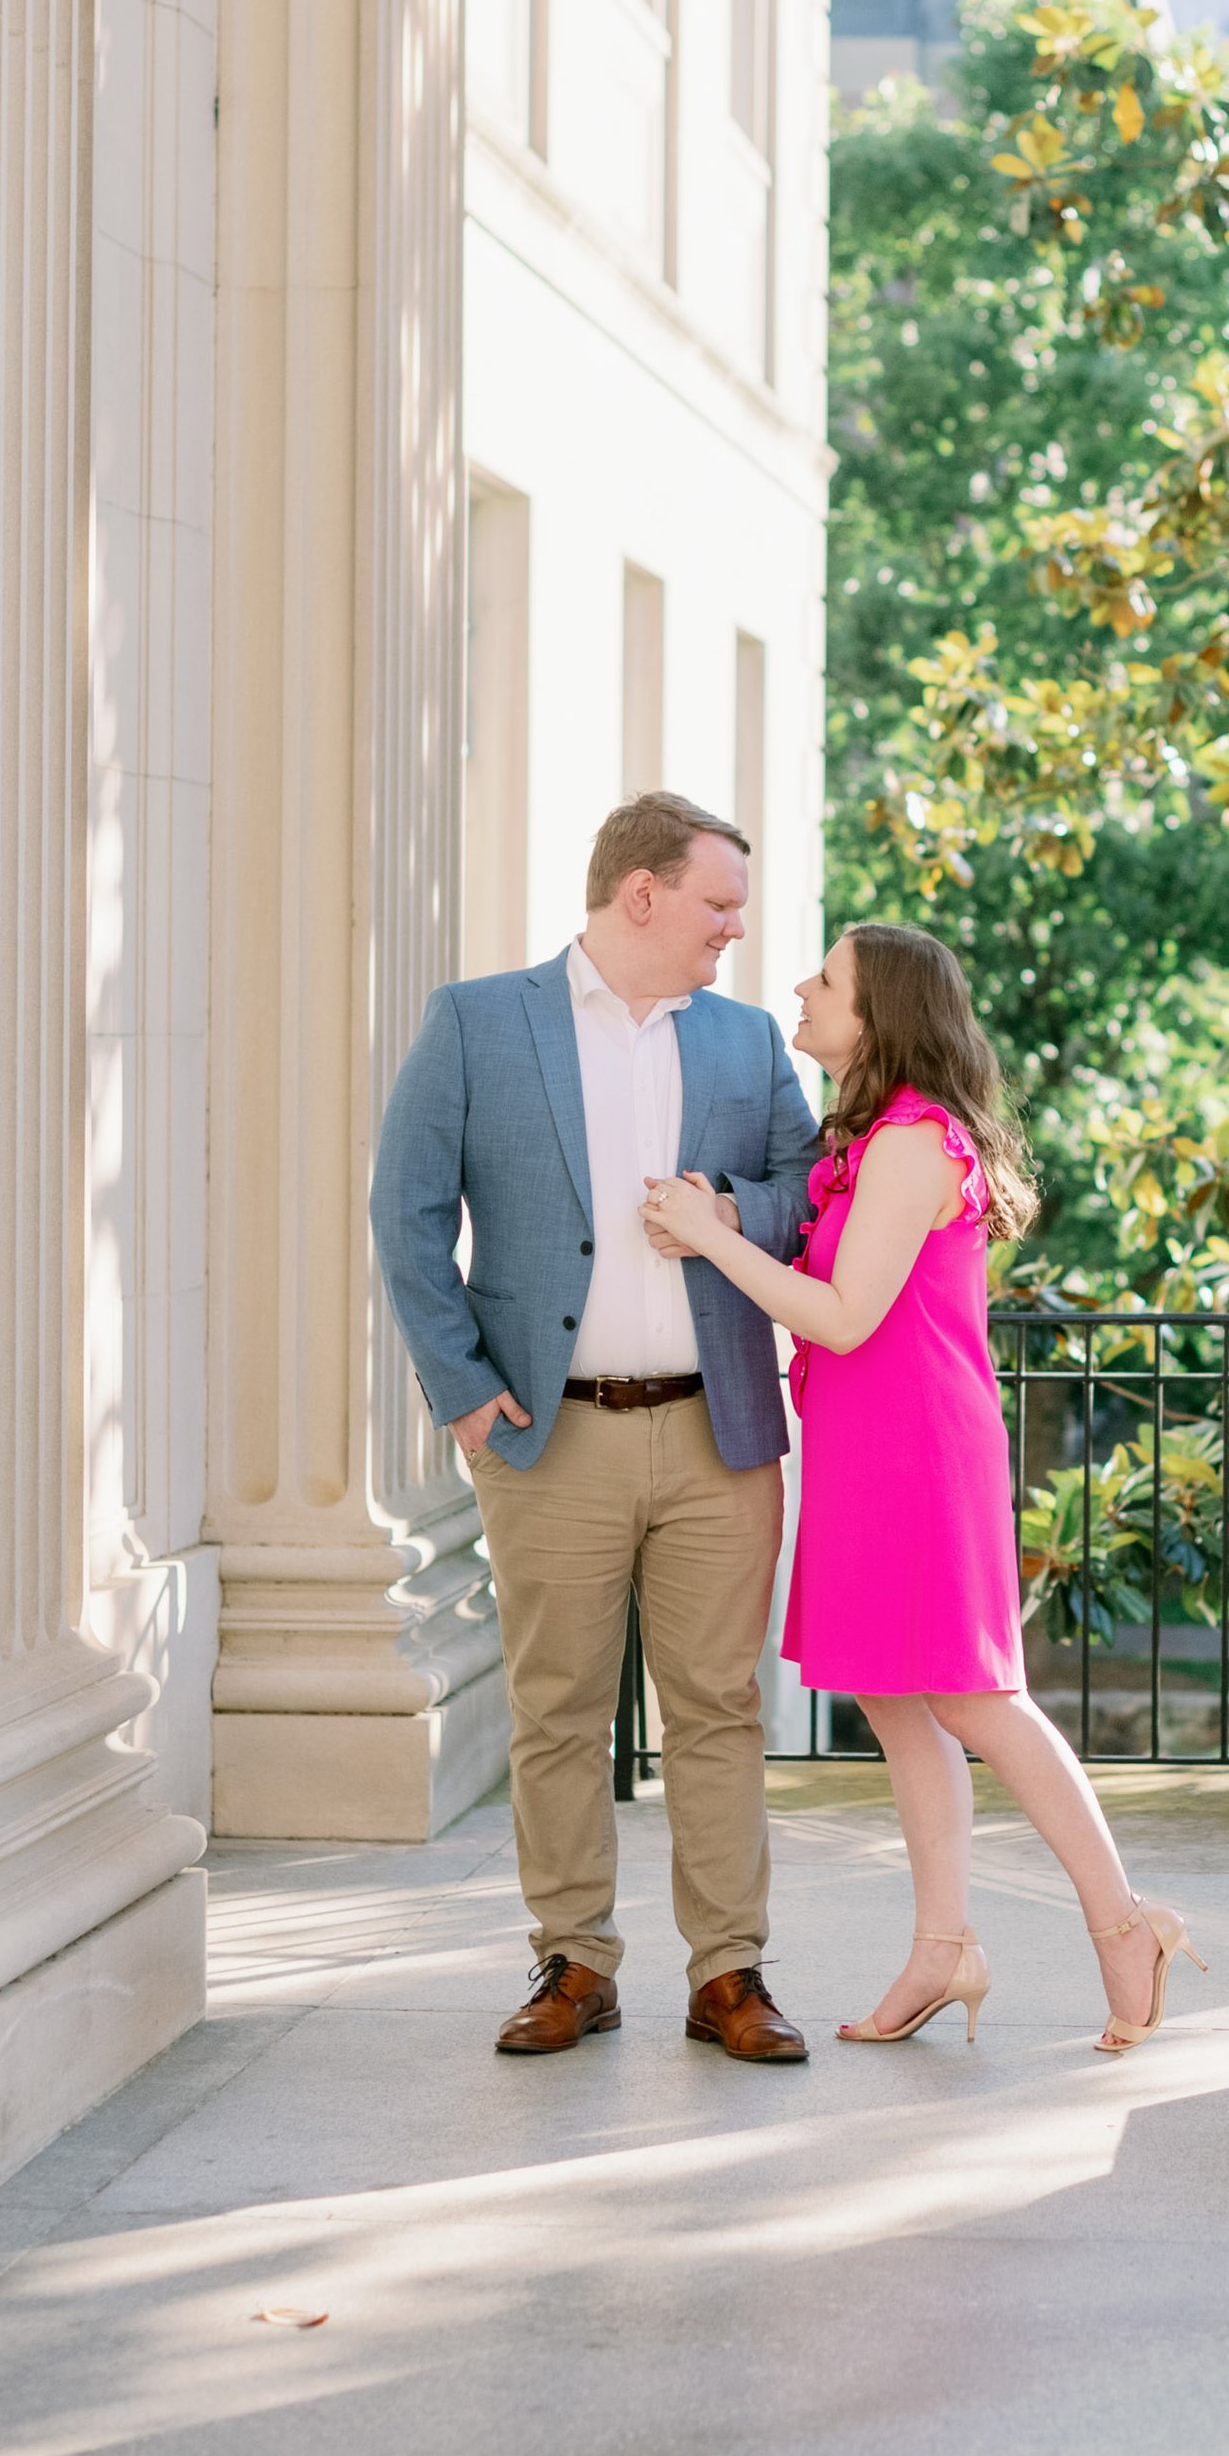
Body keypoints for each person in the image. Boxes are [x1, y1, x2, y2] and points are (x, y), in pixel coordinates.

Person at [642, 922, 1204, 2053]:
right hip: (866, 1445)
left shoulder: (911, 1144)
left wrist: (707, 1237)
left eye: (827, 979)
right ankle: (943, 1951)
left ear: (880, 1013)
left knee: (972, 1698)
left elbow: (843, 1317)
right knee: (898, 1703)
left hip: (917, 1451)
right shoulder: (872, 1141)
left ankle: (1125, 1922)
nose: (800, 989)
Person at [371, 794, 822, 2064]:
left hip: (716, 1431)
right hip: (547, 1436)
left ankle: (729, 1972)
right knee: (558, 1706)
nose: (735, 930)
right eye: (717, 904)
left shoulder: (741, 1043)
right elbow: (405, 1212)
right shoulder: (478, 1021)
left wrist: (724, 1205)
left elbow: (801, 1198)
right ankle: (573, 1962)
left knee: (719, 1706)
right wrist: (459, 1383)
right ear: (641, 893)